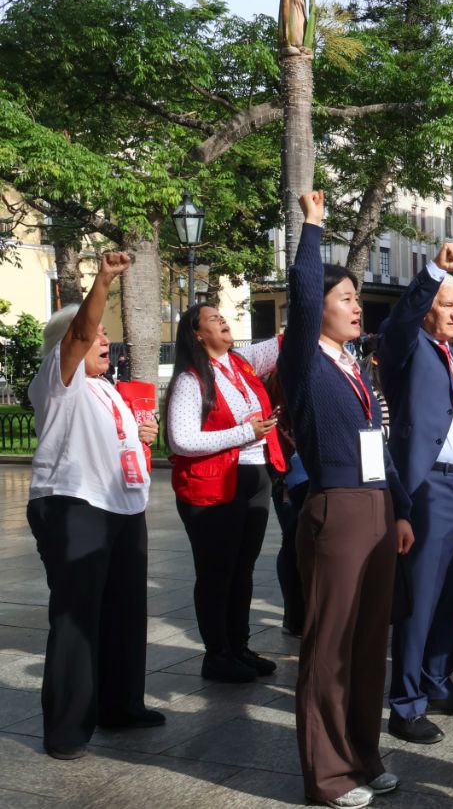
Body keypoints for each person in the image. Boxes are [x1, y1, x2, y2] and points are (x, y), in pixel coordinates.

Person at [281, 191, 416, 809]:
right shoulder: (304, 359)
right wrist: (312, 227)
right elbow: (305, 293)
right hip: (335, 508)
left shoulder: (356, 369)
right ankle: (328, 776)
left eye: (359, 298)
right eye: (346, 298)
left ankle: (364, 754)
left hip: (377, 511)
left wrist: (401, 511)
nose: (357, 307)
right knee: (330, 645)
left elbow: (378, 444)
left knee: (368, 643)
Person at [26, 251, 163, 761]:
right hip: (72, 504)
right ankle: (66, 729)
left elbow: (117, 445)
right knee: (77, 616)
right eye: (97, 336)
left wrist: (140, 435)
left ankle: (121, 705)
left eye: (109, 336)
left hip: (122, 507)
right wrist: (103, 280)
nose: (105, 341)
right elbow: (81, 332)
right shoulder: (59, 379)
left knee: (126, 610)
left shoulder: (106, 390)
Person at [378, 232, 453, 745]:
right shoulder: (408, 349)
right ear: (427, 308)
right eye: (445, 305)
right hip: (429, 490)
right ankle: (405, 704)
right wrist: (430, 273)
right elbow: (396, 325)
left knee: (451, 596)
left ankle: (437, 680)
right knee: (421, 600)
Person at [165, 304, 285, 683]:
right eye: (213, 319)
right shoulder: (190, 379)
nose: (224, 321)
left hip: (252, 477)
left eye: (222, 316)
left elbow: (283, 343)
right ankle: (217, 654)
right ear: (198, 335)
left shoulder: (240, 363)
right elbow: (181, 441)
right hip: (212, 486)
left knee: (243, 569)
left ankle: (239, 646)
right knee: (217, 571)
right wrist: (245, 433)